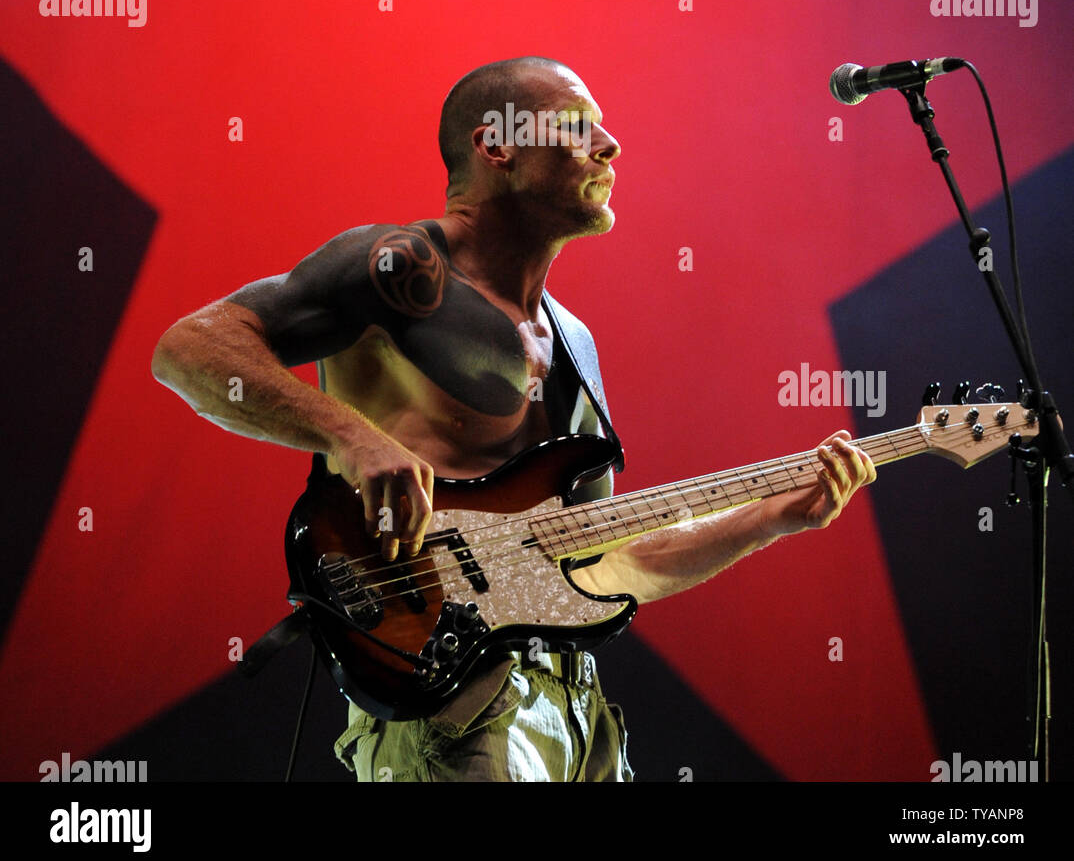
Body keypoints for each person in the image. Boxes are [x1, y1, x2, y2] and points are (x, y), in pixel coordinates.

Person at [151, 56, 875, 782]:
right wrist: (353, 436)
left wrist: (770, 518)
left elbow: (602, 563)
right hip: (454, 701)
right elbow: (190, 348)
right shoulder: (400, 267)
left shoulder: (577, 342)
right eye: (577, 126)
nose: (610, 145)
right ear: (497, 146)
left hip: (578, 714)